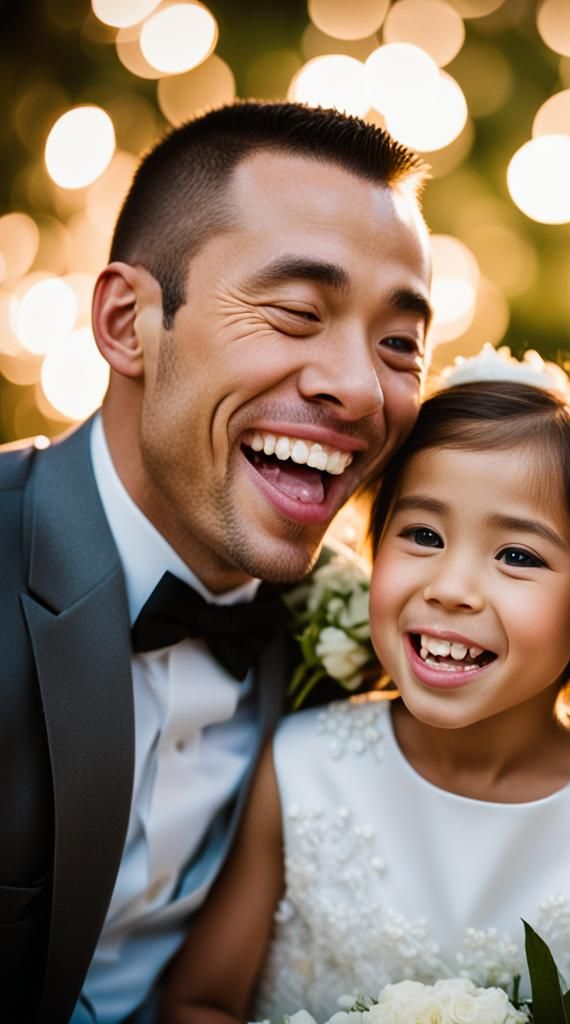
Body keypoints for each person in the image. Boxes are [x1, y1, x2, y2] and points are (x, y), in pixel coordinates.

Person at [0, 101, 433, 1024]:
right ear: (127, 323)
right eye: (294, 312)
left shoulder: (379, 647)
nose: (359, 388)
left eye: (400, 346)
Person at [159, 372, 570, 1023]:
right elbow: (200, 1002)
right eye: (423, 536)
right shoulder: (304, 765)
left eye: (516, 556)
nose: (451, 588)